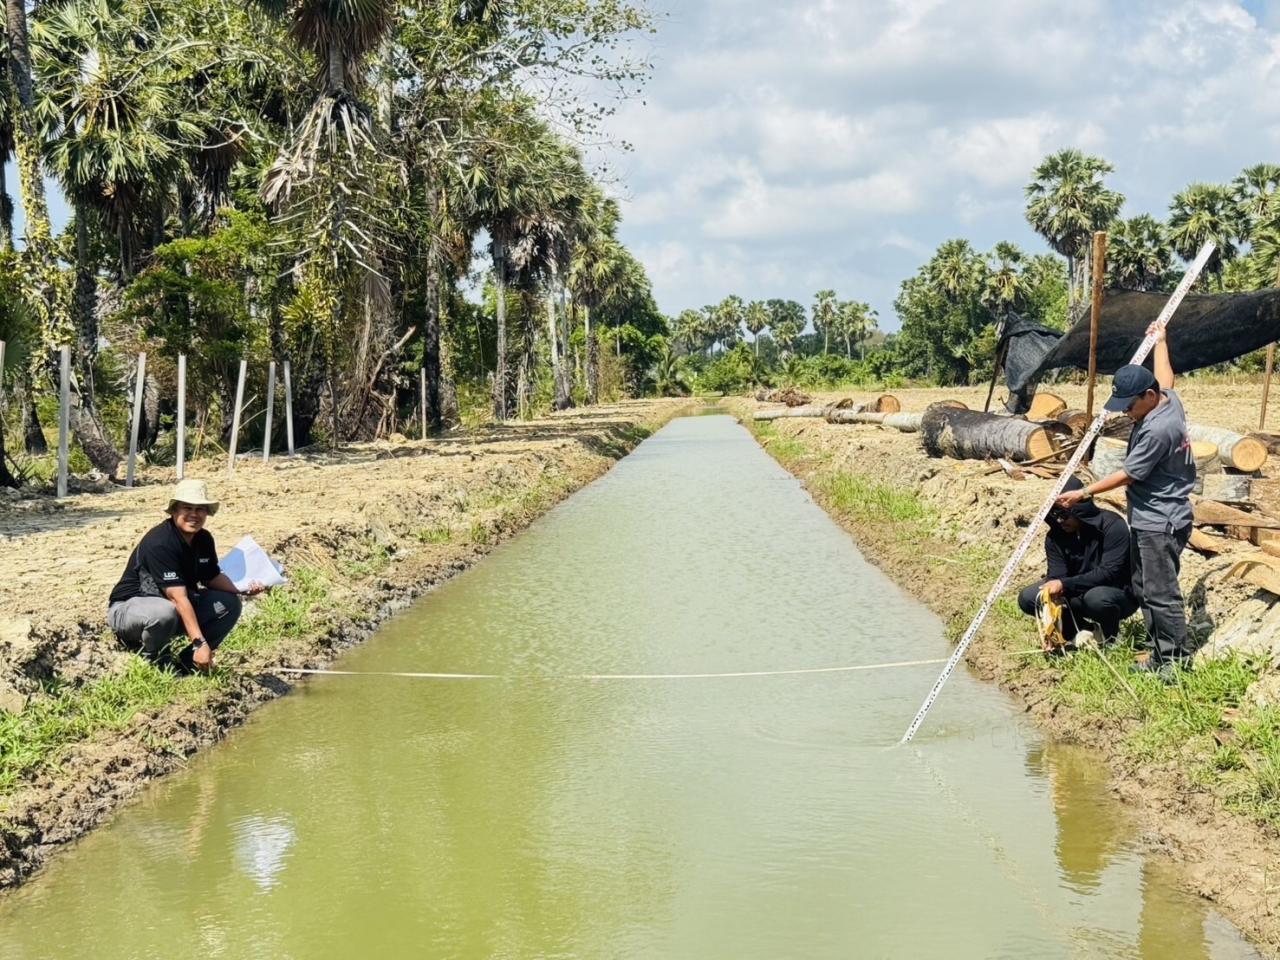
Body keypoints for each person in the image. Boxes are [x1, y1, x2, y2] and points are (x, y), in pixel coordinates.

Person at [1056, 322, 1196, 677]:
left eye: (1129, 405)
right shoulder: (1166, 401)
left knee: (1160, 592)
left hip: (1159, 521)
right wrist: (1161, 342)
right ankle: (1157, 651)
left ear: (1148, 397)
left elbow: (1128, 475)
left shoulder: (1158, 429)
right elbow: (1167, 378)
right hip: (1150, 516)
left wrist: (1084, 492)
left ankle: (1175, 661)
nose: (1125, 413)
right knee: (1143, 587)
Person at [107, 479, 266, 672]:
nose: (194, 514)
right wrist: (200, 642)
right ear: (174, 510)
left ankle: (189, 663)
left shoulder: (204, 539)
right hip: (131, 610)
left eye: (200, 509)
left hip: (170, 608)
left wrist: (243, 589)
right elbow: (178, 598)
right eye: (187, 508)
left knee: (229, 603)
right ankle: (155, 662)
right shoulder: (161, 543)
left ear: (207, 513)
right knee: (164, 612)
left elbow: (211, 578)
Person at [1018, 475, 1137, 647]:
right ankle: (1079, 631)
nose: (1060, 520)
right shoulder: (1055, 537)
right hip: (1076, 593)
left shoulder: (1112, 525)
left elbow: (1110, 573)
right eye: (1055, 514)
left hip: (1116, 593)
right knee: (1030, 597)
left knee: (1096, 599)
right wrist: (1051, 620)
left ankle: (1111, 638)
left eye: (1065, 515)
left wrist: (1064, 585)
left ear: (1079, 508)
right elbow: (1057, 574)